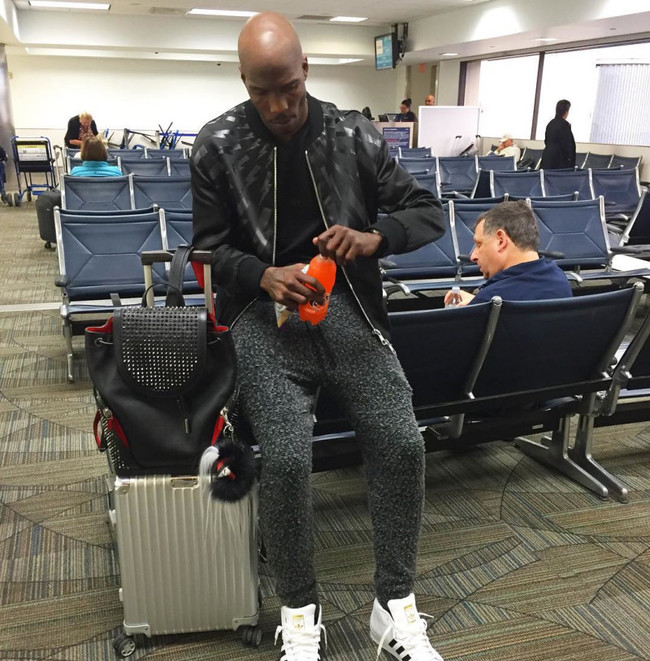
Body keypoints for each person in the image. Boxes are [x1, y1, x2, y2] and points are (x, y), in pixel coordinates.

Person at [191, 11, 445, 661]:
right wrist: (262, 274)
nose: (279, 106)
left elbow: (426, 212)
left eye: (290, 88)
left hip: (347, 309)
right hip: (262, 319)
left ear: (306, 69)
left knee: (402, 442)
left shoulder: (354, 134)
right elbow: (206, 250)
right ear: (243, 82)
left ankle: (394, 607)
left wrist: (375, 237)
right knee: (284, 460)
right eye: (262, 92)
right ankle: (299, 610)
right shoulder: (216, 145)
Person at [444, 201, 571, 307]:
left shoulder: (491, 300)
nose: (473, 256)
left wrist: (478, 304)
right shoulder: (560, 281)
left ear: (501, 241)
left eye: (479, 244)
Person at [540, 99, 576, 170]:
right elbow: (568, 145)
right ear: (566, 112)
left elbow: (546, 141)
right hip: (559, 161)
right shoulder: (565, 125)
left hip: (547, 158)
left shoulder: (550, 124)